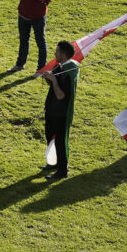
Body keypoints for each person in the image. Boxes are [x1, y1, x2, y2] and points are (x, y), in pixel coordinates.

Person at [40, 40, 77, 180]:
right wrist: (49, 79)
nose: (55, 53)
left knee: (60, 142)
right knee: (50, 137)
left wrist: (54, 81)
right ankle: (54, 163)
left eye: (57, 51)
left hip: (61, 113)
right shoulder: (60, 66)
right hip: (51, 110)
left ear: (63, 54)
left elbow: (61, 95)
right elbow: (54, 83)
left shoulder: (70, 71)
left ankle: (62, 171)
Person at [11, 0, 52, 71]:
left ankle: (41, 68)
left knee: (40, 42)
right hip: (23, 13)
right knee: (23, 40)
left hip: (38, 16)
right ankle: (20, 64)